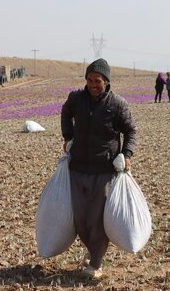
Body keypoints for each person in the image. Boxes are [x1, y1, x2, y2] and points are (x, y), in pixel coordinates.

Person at [61, 58, 137, 278]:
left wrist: (126, 154)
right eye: (90, 80)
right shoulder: (76, 98)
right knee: (79, 218)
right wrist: (68, 137)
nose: (93, 85)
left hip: (103, 170)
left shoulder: (117, 105)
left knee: (96, 218)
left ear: (106, 81)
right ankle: (91, 250)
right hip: (77, 167)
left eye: (98, 81)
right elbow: (65, 113)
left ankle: (96, 264)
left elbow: (131, 131)